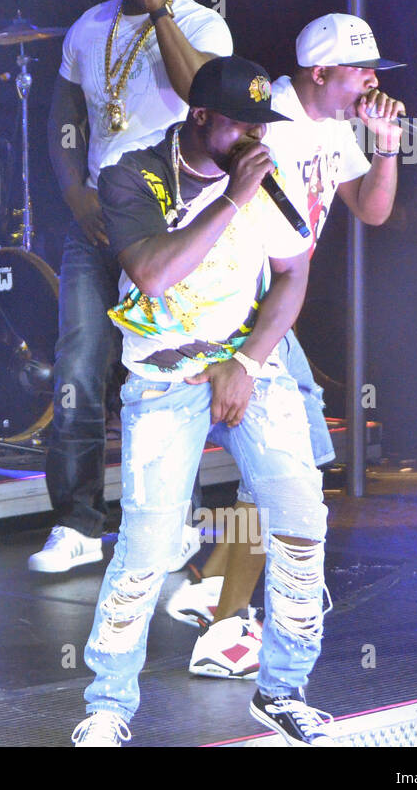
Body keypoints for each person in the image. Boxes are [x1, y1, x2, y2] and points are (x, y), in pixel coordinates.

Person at [71, 57, 335, 746]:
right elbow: (154, 274)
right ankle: (108, 705)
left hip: (250, 363)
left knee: (301, 519)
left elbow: (293, 275)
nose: (255, 138)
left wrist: (246, 362)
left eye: (261, 124)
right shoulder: (132, 174)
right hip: (164, 373)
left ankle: (282, 689)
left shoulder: (268, 175)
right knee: (149, 547)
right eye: (241, 125)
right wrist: (231, 199)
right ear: (200, 119)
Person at [167, 13, 407, 679]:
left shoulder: (336, 126)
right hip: (238, 301)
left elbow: (373, 209)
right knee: (287, 466)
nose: (372, 82)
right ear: (321, 73)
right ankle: (225, 625)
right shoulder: (264, 115)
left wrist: (385, 146)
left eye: (376, 72)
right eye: (362, 70)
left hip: (272, 301)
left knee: (282, 465)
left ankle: (215, 589)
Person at [31, 0, 232, 573]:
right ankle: (77, 523)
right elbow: (63, 122)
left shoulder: (203, 24)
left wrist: (161, 13)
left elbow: (198, 88)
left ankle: (173, 519)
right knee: (81, 365)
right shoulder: (88, 27)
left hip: (170, 225)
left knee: (168, 367)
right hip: (96, 223)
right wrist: (73, 192)